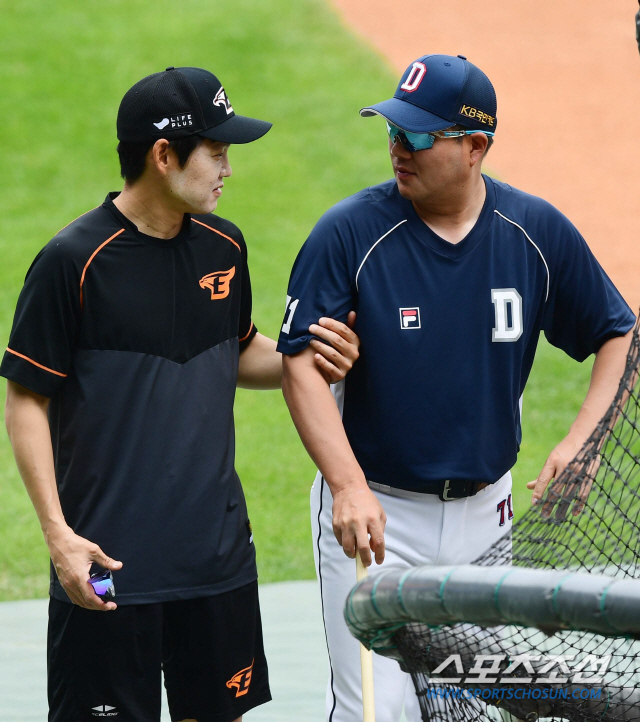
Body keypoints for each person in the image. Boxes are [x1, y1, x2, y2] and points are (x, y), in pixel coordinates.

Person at [277, 53, 636, 722]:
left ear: (475, 146)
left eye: (415, 137)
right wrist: (347, 486)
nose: (396, 150)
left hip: (485, 526)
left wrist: (582, 446)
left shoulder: (533, 233)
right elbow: (298, 363)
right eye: (391, 132)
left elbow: (618, 332)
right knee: (378, 715)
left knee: (472, 710)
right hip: (378, 519)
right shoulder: (350, 234)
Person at [1, 66, 361, 722]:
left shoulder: (224, 245)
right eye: (217, 153)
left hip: (215, 558)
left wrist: (306, 360)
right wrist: (58, 536)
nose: (229, 168)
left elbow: (238, 348)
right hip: (104, 566)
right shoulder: (74, 262)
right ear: (163, 156)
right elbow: (26, 399)